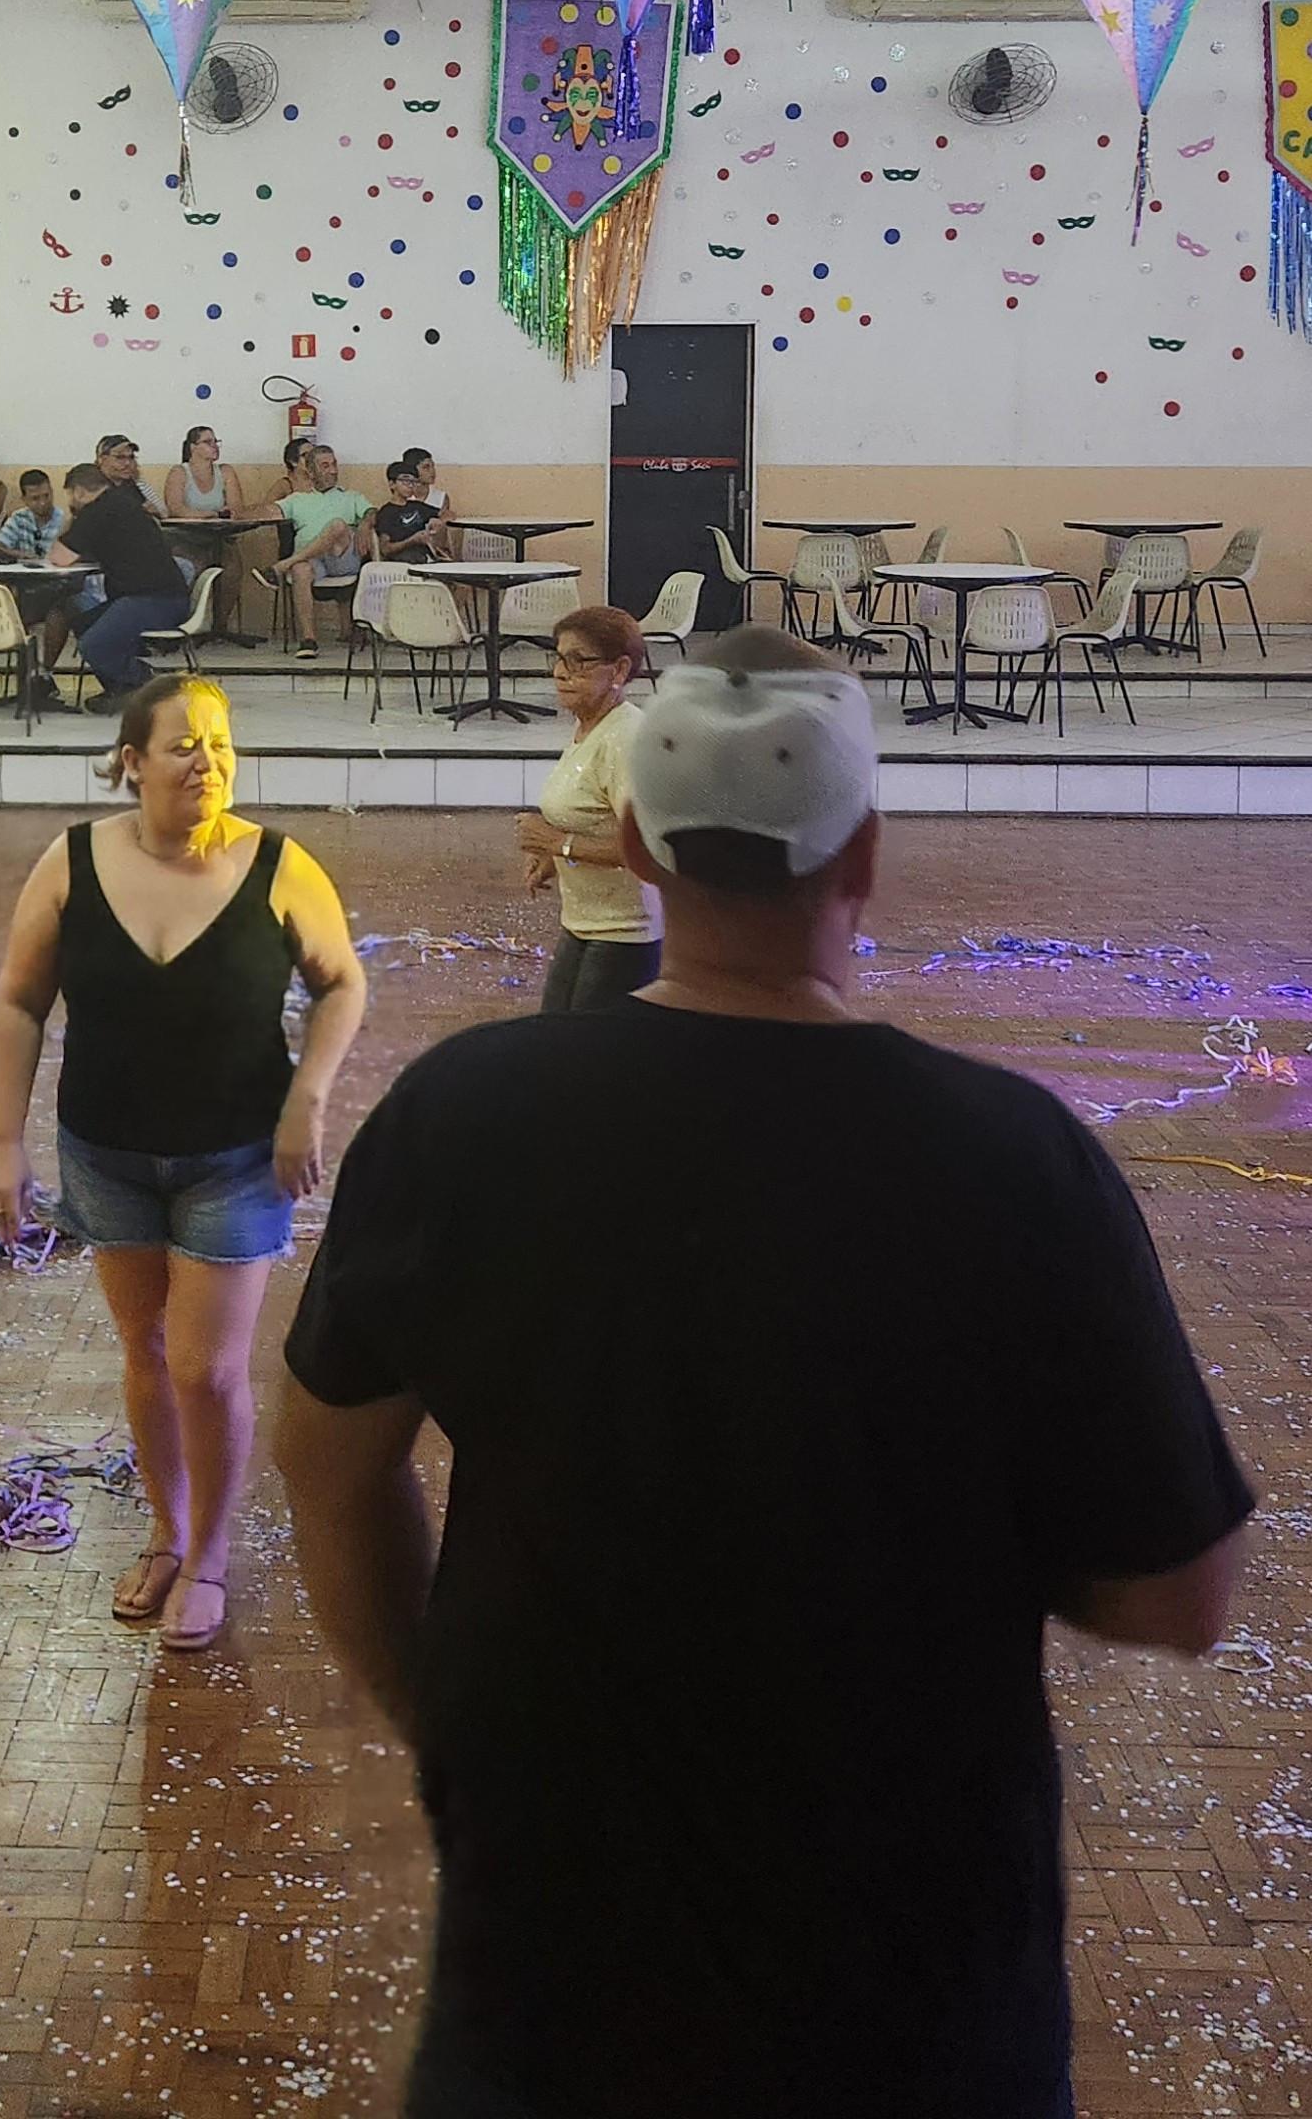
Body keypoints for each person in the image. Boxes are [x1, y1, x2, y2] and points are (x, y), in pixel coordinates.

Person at [276, 628, 1252, 2119]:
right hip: (911, 1971)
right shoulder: (1009, 1163)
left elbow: (325, 1469)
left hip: (551, 1942)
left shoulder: (463, 1116)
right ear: (859, 850)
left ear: (642, 858)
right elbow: (1176, 1599)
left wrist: (444, 1728)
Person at [0, 676, 364, 1652]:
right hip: (105, 1151)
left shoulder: (278, 865)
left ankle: (207, 1552)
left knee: (204, 1367)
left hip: (236, 1157)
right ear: (130, 759)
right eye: (183, 745)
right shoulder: (71, 862)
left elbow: (340, 983)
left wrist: (308, 1098)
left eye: (219, 743)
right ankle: (165, 1529)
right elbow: (21, 1003)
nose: (206, 761)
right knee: (145, 1351)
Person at [514, 602, 660, 1012]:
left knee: (585, 1064)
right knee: (557, 1050)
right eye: (559, 659)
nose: (561, 673)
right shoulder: (589, 727)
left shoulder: (626, 738)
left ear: (618, 671)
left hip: (625, 936)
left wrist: (559, 844)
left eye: (578, 662)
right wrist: (552, 860)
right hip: (586, 925)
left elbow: (650, 849)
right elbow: (594, 816)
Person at [50, 460, 192, 698]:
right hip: (167, 598)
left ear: (79, 491)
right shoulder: (124, 502)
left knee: (92, 645)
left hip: (152, 601)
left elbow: (59, 557)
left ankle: (150, 684)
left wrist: (72, 519)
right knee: (82, 620)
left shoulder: (96, 511)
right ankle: (120, 691)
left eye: (71, 495)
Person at [0, 467, 102, 688]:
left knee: (29, 609)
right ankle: (36, 677)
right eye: (35, 498)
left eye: (46, 496)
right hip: (27, 586)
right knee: (9, 603)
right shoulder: (19, 519)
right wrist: (21, 554)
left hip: (57, 586)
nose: (42, 503)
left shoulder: (65, 520)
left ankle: (38, 674)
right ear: (24, 499)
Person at [272, 444, 373, 660]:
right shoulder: (297, 499)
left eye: (334, 464)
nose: (333, 470)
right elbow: (269, 510)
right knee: (300, 569)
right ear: (310, 471)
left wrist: (365, 524)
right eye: (325, 466)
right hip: (315, 564)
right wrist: (238, 512)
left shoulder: (351, 496)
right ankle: (309, 639)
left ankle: (284, 564)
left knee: (337, 525)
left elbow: (372, 512)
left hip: (342, 560)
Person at [162, 424, 247, 524]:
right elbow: (175, 509)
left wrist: (228, 513)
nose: (214, 446)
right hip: (185, 533)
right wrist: (214, 514)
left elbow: (236, 508)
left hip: (221, 532)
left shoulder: (226, 472)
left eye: (215, 441)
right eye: (208, 442)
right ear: (193, 447)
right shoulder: (179, 473)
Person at [371, 460, 450, 564]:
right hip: (404, 562)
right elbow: (385, 549)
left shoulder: (417, 506)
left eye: (414, 482)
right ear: (392, 484)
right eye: (406, 481)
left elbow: (448, 514)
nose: (410, 486)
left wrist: (438, 521)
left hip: (427, 558)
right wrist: (412, 541)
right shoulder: (386, 513)